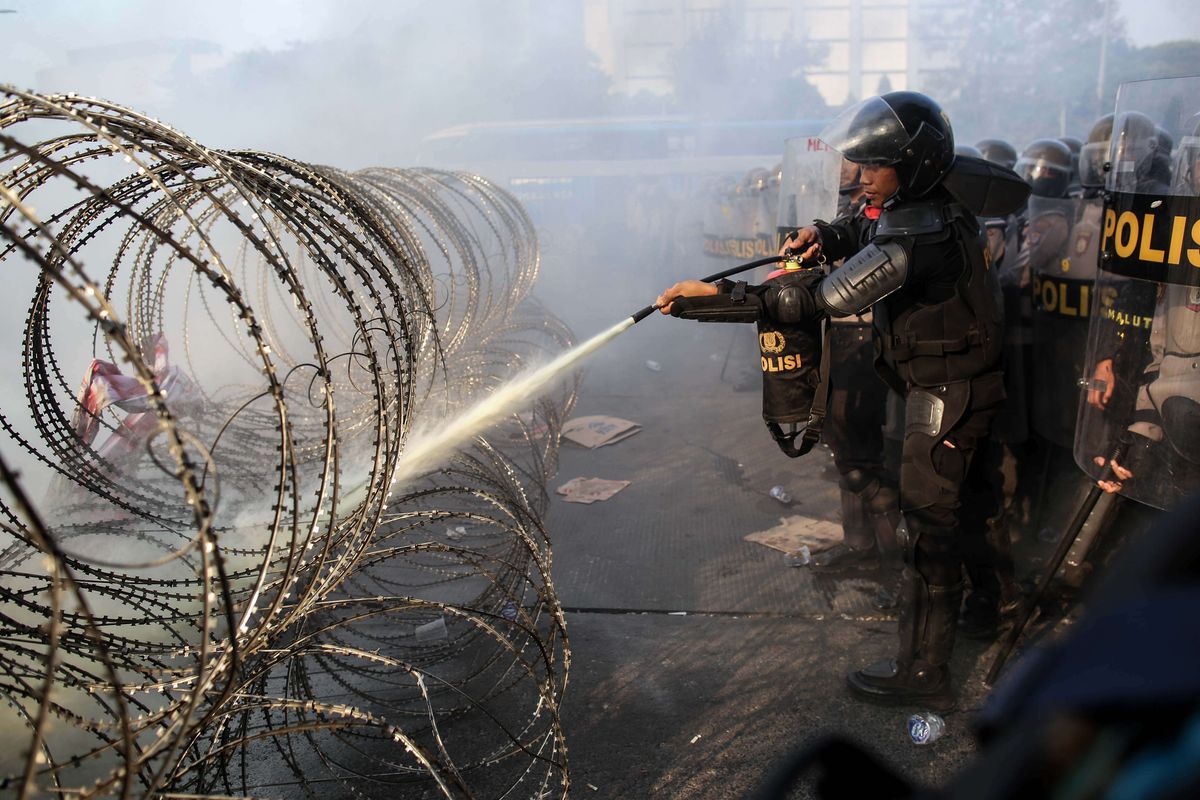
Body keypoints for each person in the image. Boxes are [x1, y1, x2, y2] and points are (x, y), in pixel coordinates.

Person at [657, 91, 1026, 709]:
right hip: (951, 381)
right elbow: (866, 224)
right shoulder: (922, 202)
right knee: (967, 510)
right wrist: (825, 232)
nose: (859, 180)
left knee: (930, 529)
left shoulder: (922, 236)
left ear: (913, 164)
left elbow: (821, 300)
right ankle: (995, 605)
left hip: (949, 393)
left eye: (872, 167)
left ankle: (924, 675)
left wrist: (709, 299)